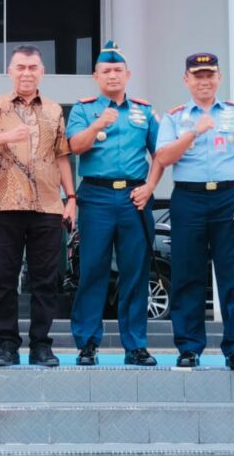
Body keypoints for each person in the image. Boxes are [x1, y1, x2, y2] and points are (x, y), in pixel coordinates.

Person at [154, 52, 234, 371]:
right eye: (198, 76)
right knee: (188, 274)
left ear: (219, 78)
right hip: (189, 199)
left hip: (229, 197)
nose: (204, 81)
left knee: (232, 276)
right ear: (187, 80)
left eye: (210, 75)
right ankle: (189, 348)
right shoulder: (174, 117)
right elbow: (163, 157)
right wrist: (194, 132)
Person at [0, 44, 76, 367]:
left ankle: (41, 345)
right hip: (5, 204)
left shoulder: (54, 109)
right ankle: (6, 344)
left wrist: (71, 198)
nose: (27, 73)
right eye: (20, 67)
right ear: (10, 71)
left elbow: (61, 155)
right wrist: (8, 136)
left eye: (33, 67)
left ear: (42, 72)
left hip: (47, 206)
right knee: (3, 279)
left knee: (46, 279)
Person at [66, 40, 160, 366]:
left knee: (135, 271)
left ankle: (135, 345)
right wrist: (96, 125)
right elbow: (75, 147)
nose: (112, 75)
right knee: (93, 270)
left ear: (128, 74)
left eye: (118, 70)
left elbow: (162, 153)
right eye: (106, 70)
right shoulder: (84, 109)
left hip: (135, 197)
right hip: (96, 197)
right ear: (96, 76)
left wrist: (150, 186)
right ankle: (87, 343)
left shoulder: (144, 111)